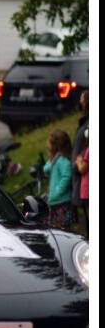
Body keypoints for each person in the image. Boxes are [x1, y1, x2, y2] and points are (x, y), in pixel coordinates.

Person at [44, 129, 75, 231]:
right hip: (54, 202)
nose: (47, 146)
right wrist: (52, 159)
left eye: (49, 144)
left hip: (62, 202)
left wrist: (57, 192)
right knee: (54, 230)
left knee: (63, 232)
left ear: (55, 145)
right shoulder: (55, 160)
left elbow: (66, 177)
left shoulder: (64, 161)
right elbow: (46, 169)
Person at [70, 90, 88, 227]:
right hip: (80, 179)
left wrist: (79, 163)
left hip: (84, 175)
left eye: (82, 101)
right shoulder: (83, 123)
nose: (80, 103)